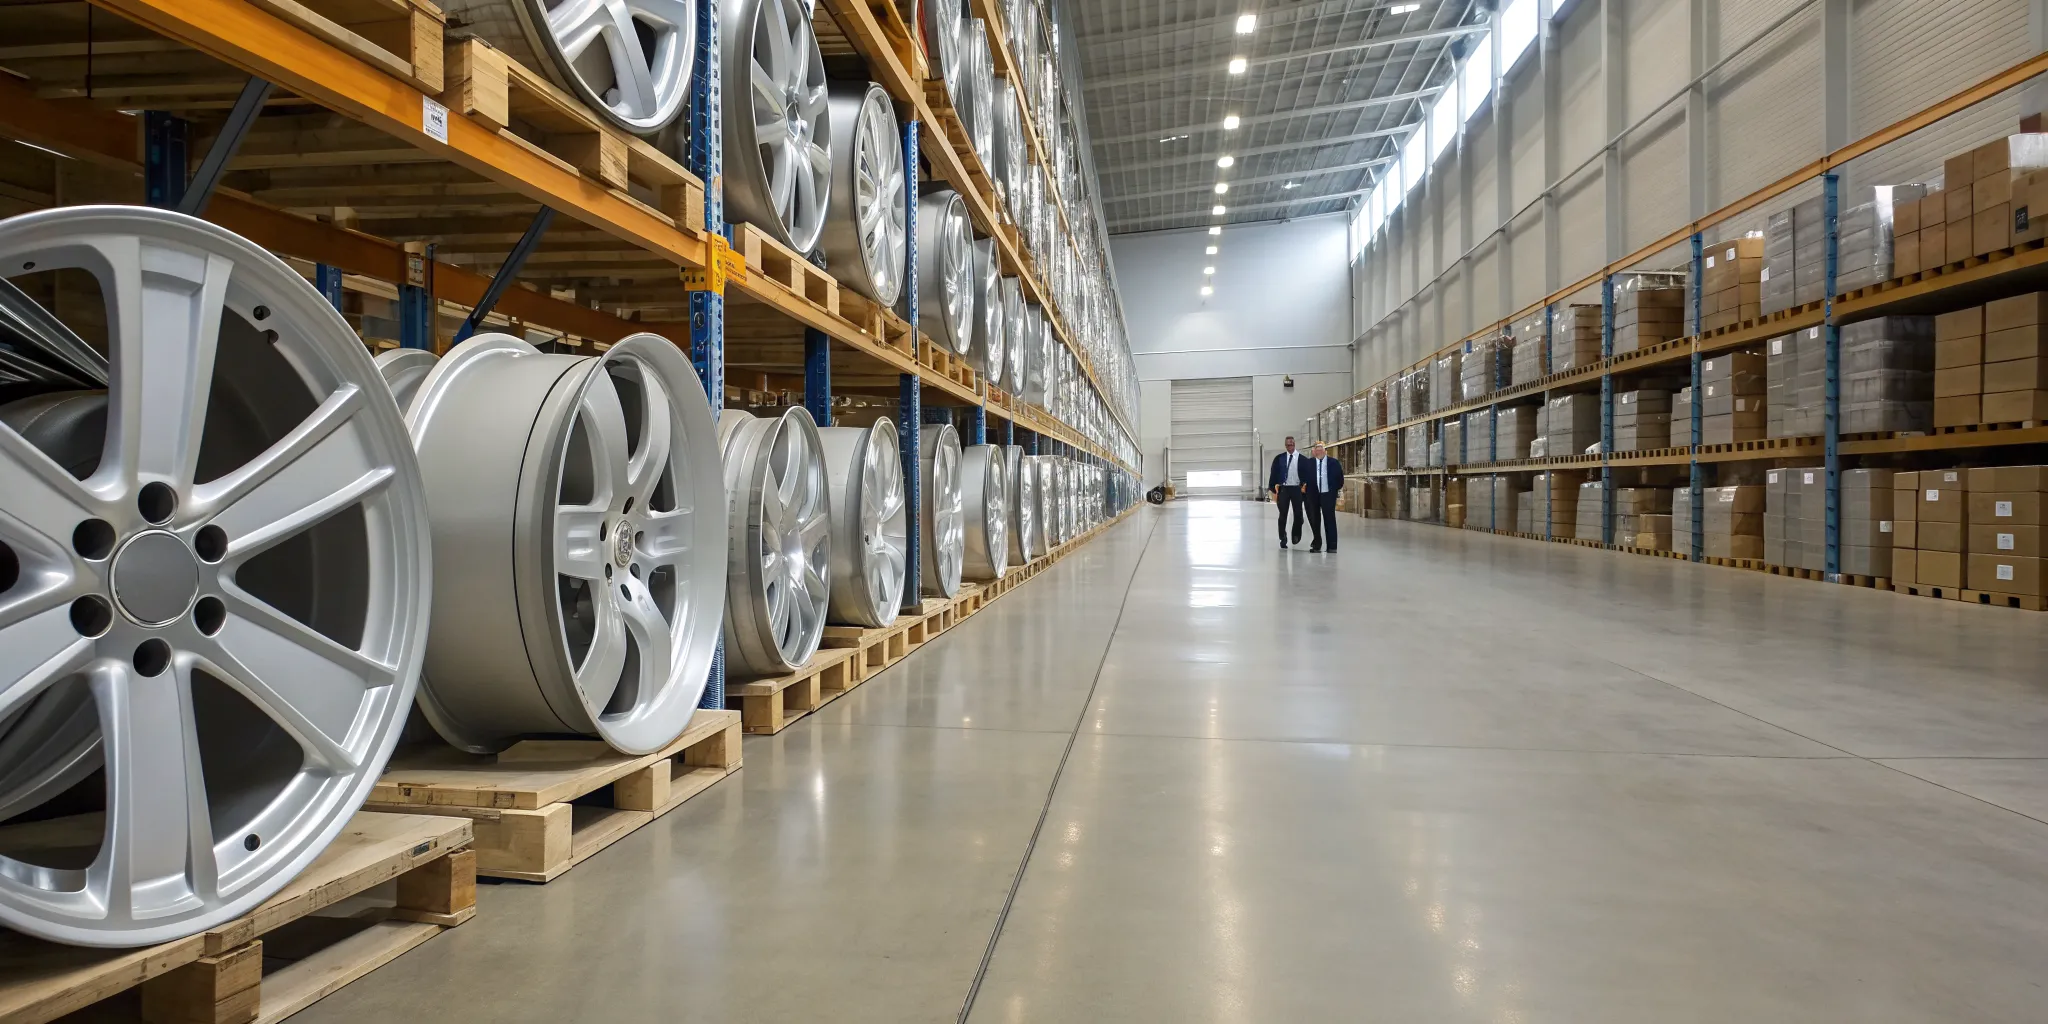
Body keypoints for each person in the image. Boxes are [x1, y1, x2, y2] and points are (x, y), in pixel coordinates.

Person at [1301, 442, 1345, 552]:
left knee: (1329, 519)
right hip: (1313, 495)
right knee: (1314, 519)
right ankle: (1317, 544)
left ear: (1325, 451)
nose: (1319, 452)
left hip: (1328, 495)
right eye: (1317, 450)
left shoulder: (1334, 463)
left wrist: (1333, 490)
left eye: (1321, 449)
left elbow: (1340, 479)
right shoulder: (1309, 463)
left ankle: (1332, 546)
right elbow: (1303, 477)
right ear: (1314, 452)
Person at [1267, 436, 1307, 549]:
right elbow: (1274, 473)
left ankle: (1296, 534)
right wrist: (1273, 488)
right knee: (1283, 515)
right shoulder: (1279, 459)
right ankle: (1283, 537)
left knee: (1298, 514)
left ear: (1295, 444)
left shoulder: (1302, 459)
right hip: (1283, 489)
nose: (1290, 446)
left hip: (1297, 489)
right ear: (1285, 446)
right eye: (1288, 445)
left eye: (1292, 444)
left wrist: (1306, 488)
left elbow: (1307, 474)